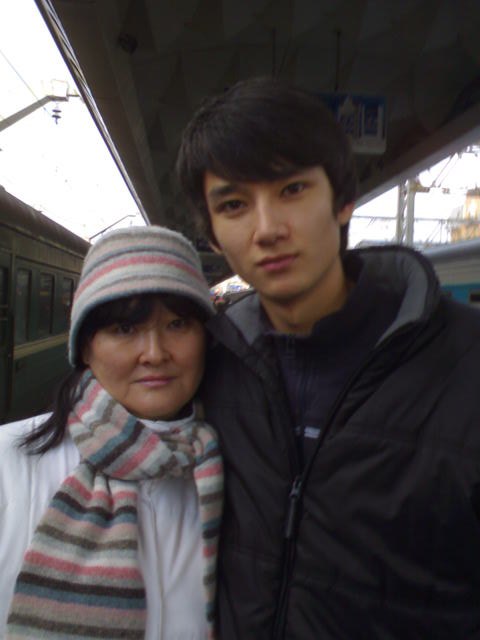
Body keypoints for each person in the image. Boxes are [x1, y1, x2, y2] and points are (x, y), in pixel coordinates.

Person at [176, 77, 480, 639]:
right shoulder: (212, 368)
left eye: (292, 189)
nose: (268, 229)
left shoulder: (465, 362)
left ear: (343, 202)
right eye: (235, 205)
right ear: (213, 236)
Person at [0, 226, 223, 640]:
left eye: (177, 324)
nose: (154, 353)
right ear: (85, 347)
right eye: (124, 329)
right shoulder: (7, 463)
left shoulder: (242, 474)